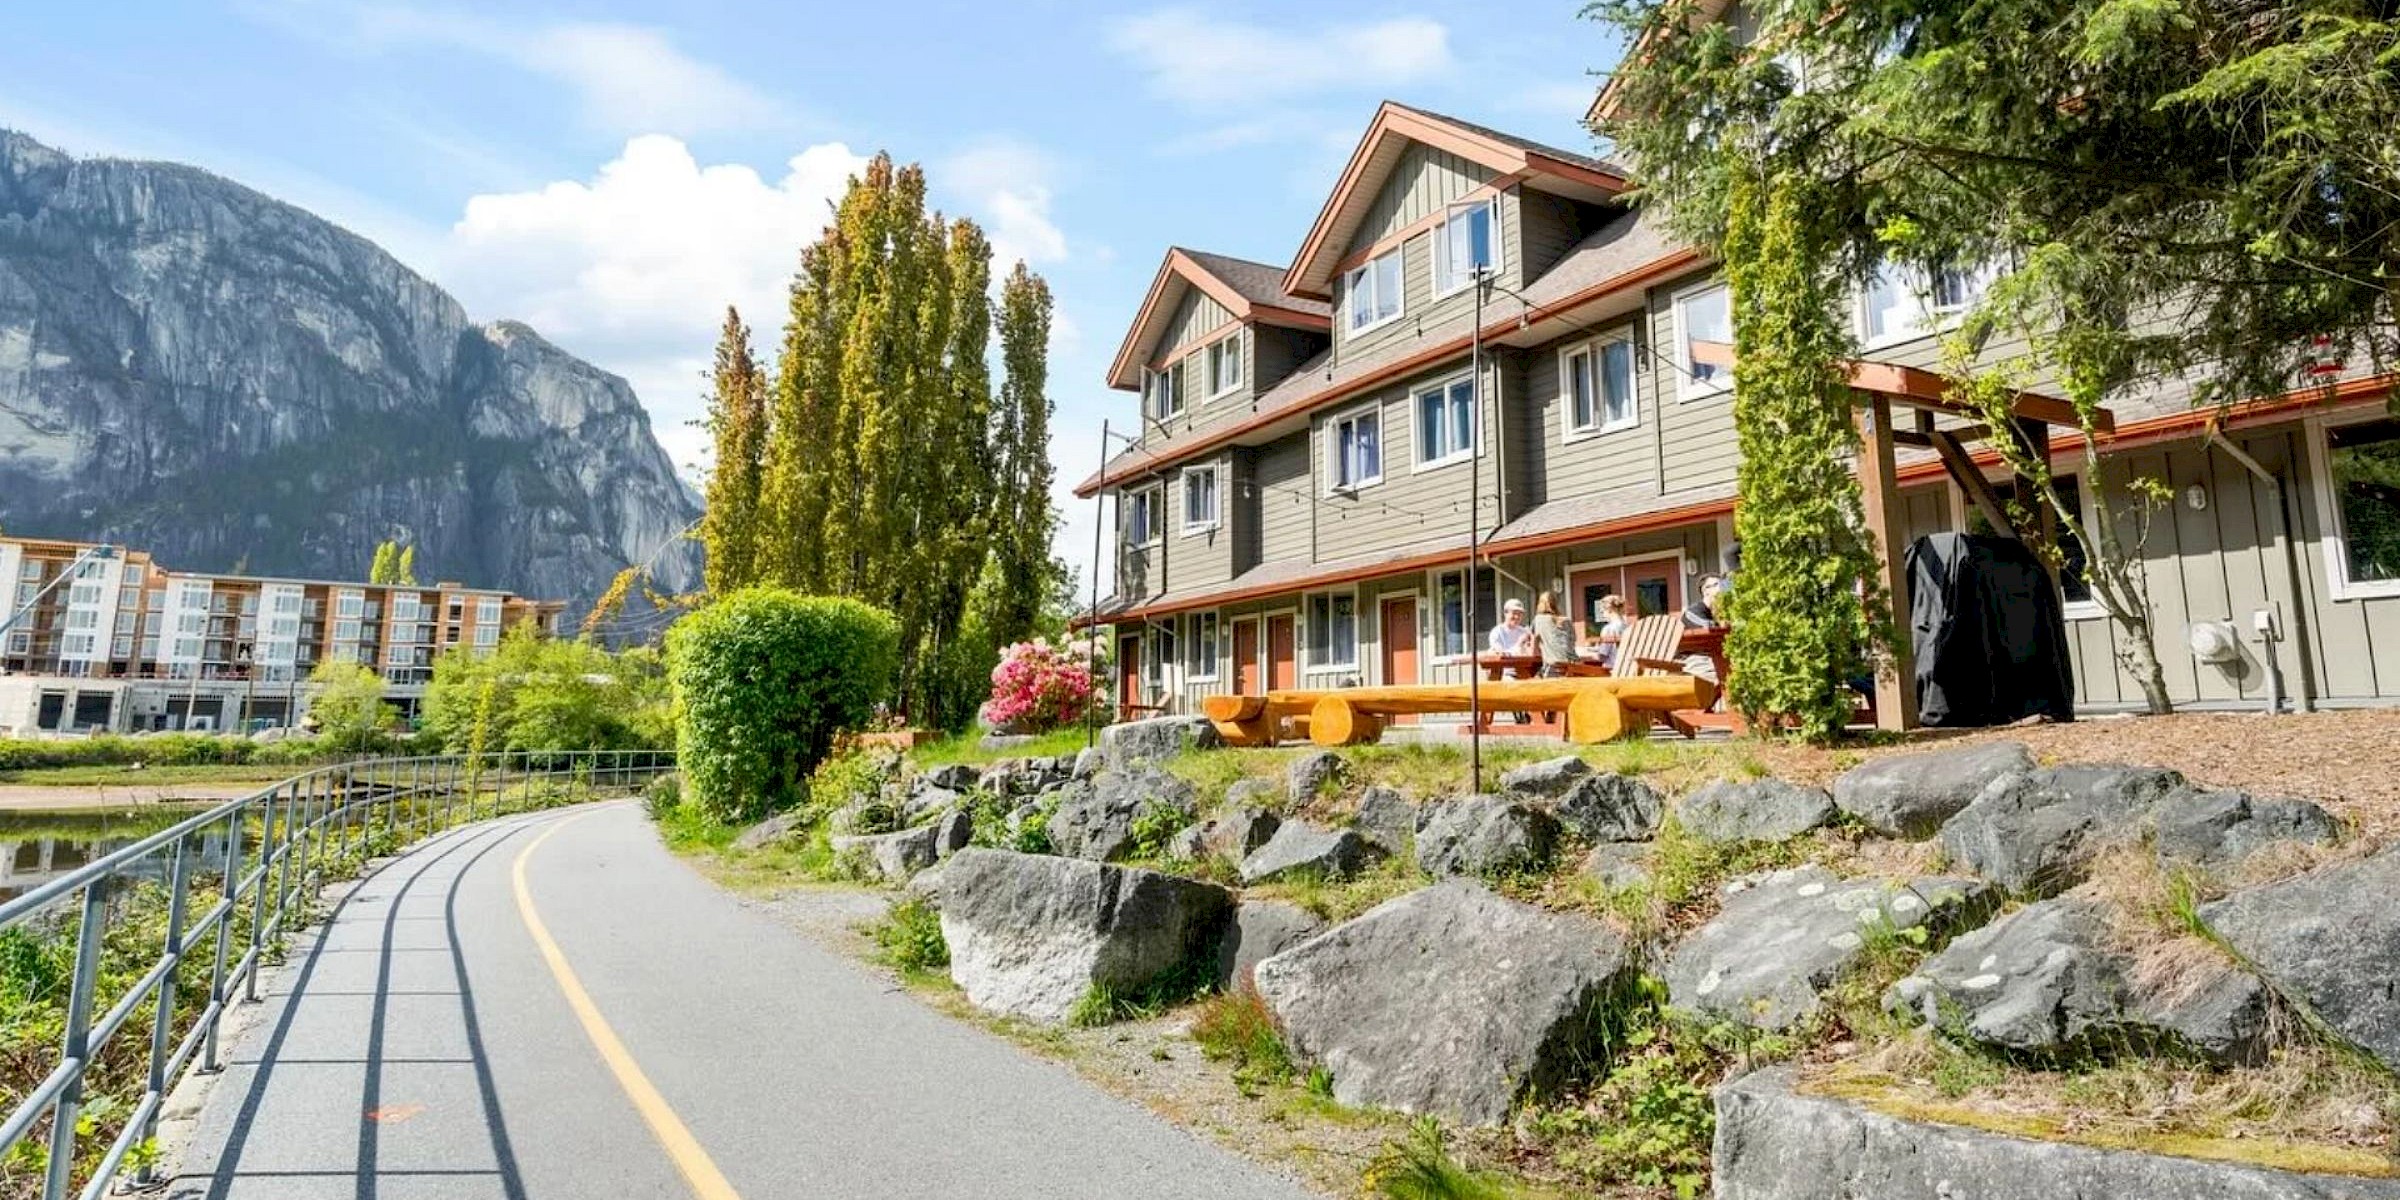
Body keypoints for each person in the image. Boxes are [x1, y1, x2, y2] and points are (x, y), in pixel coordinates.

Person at [1532, 592, 1575, 676]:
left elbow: (1533, 649)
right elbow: (1572, 643)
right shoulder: (1567, 621)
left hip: (1552, 667)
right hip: (1571, 666)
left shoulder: (1538, 620)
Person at [1590, 593, 1630, 668]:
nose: (1603, 614)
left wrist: (1591, 655)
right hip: (1627, 668)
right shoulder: (1629, 628)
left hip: (1611, 669)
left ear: (1610, 610)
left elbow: (1602, 656)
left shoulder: (1608, 629)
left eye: (1602, 612)